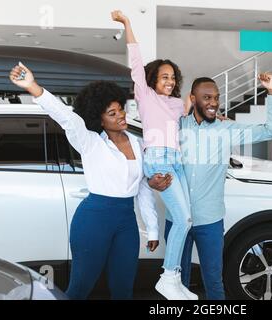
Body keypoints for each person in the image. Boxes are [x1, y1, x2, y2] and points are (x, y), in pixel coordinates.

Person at [9, 63, 159, 300]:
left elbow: (142, 188)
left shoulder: (138, 144)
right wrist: (33, 87)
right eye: (112, 113)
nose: (120, 116)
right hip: (93, 221)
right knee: (80, 289)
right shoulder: (90, 142)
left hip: (126, 223)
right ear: (99, 120)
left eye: (120, 109)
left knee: (124, 290)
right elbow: (64, 115)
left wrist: (152, 229)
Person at [149, 74, 272, 299]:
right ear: (193, 98)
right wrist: (150, 180)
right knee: (175, 283)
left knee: (213, 280)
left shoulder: (226, 129)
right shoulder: (176, 127)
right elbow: (153, 156)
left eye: (216, 98)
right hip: (176, 218)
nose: (213, 103)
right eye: (207, 97)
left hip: (209, 221)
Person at [111, 10, 196, 300]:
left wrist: (215, 115)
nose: (169, 81)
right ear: (153, 79)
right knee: (184, 220)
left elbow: (194, 114)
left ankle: (175, 279)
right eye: (164, 77)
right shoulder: (146, 96)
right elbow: (135, 61)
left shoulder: (176, 105)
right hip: (158, 159)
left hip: (177, 161)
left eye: (173, 77)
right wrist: (127, 25)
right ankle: (168, 277)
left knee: (182, 218)